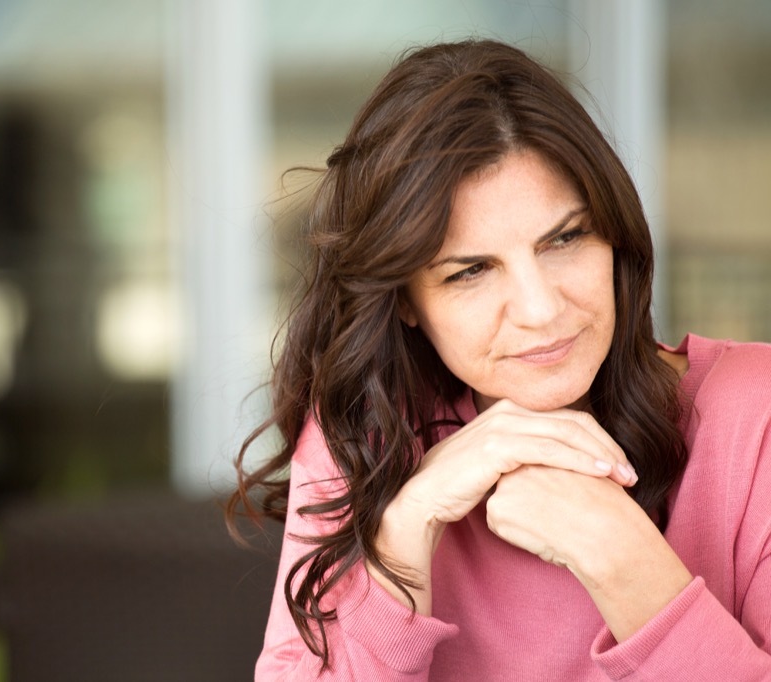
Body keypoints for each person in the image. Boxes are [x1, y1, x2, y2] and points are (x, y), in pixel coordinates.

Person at [226, 39, 771, 680]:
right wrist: (407, 525)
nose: (540, 309)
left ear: (616, 237)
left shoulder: (754, 413)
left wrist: (621, 558)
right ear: (405, 299)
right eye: (471, 271)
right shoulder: (363, 431)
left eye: (566, 238)